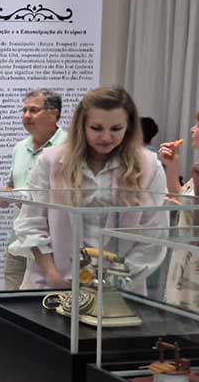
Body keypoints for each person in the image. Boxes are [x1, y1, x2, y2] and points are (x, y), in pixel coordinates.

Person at [10, 87, 168, 291]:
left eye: (116, 129)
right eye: (96, 128)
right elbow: (32, 222)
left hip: (118, 289)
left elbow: (153, 234)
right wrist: (52, 275)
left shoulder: (150, 166)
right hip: (52, 284)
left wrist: (114, 280)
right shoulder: (50, 160)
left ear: (128, 127)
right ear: (82, 126)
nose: (106, 137)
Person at [2, 89, 67, 290]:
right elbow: (11, 183)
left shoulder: (69, 148)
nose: (26, 116)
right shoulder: (19, 148)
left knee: (45, 305)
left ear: (53, 114)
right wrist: (6, 195)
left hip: (52, 248)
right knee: (11, 304)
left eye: (33, 110)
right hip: (19, 242)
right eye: (24, 110)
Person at [157, 109, 199, 311]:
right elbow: (181, 197)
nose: (193, 129)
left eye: (198, 125)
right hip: (185, 255)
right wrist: (172, 165)